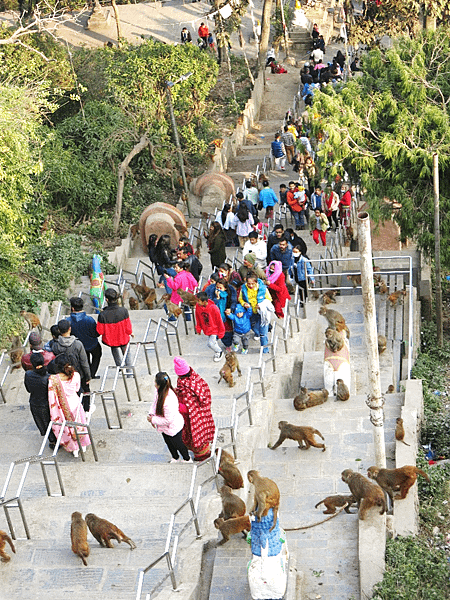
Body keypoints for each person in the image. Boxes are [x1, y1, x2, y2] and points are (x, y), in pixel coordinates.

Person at [48, 354, 91, 458]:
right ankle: (83, 444)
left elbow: (51, 396)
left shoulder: (53, 379)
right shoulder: (75, 375)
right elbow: (77, 389)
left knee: (68, 427)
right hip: (75, 404)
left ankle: (74, 448)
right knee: (80, 424)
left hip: (62, 408)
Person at [174, 357, 215, 461]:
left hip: (193, 420)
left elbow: (186, 409)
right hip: (203, 415)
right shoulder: (197, 379)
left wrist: (175, 404)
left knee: (196, 437)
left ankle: (202, 457)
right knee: (203, 434)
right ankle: (204, 452)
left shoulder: (185, 389)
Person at [147, 372, 191, 463]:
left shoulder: (168, 401)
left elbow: (168, 420)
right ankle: (175, 457)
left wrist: (153, 420)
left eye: (155, 382)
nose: (154, 383)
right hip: (164, 427)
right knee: (169, 443)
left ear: (160, 385)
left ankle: (187, 459)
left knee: (178, 444)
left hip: (173, 427)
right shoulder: (159, 391)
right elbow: (155, 403)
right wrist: (151, 414)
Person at [52, 319, 92, 410]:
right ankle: (85, 409)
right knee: (84, 391)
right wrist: (88, 376)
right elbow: (84, 362)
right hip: (79, 374)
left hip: (63, 375)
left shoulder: (55, 346)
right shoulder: (77, 344)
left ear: (59, 330)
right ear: (70, 329)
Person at [24, 353, 57, 449]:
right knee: (51, 423)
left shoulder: (28, 375)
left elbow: (28, 389)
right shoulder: (49, 377)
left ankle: (51, 441)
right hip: (47, 404)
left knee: (43, 424)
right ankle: (55, 440)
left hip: (34, 404)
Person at [97, 288, 133, 369]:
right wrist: (130, 333)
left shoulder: (102, 315)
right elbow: (128, 328)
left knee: (114, 350)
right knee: (127, 354)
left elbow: (100, 331)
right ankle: (129, 373)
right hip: (123, 338)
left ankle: (119, 367)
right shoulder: (123, 311)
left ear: (106, 300)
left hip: (111, 340)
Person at [68, 297, 102, 380]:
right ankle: (92, 373)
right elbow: (96, 333)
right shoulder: (89, 320)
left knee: (84, 361)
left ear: (72, 308)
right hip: (92, 344)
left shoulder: (68, 321)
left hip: (79, 346)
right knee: (97, 356)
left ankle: (87, 374)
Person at [239, 273, 273, 353]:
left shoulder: (263, 288)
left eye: (252, 284)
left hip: (262, 313)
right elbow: (240, 299)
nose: (250, 285)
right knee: (253, 326)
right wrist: (244, 304)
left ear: (256, 282)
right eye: (249, 284)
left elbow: (269, 299)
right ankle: (257, 333)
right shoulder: (243, 289)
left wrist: (261, 305)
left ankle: (265, 349)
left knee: (263, 333)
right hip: (251, 312)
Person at [195, 291, 225, 362]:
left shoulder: (214, 308)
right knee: (212, 343)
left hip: (214, 329)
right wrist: (198, 328)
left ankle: (219, 352)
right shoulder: (198, 307)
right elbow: (198, 317)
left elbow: (219, 320)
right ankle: (217, 349)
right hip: (206, 329)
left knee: (210, 344)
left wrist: (221, 331)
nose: (197, 302)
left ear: (204, 301)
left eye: (199, 301)